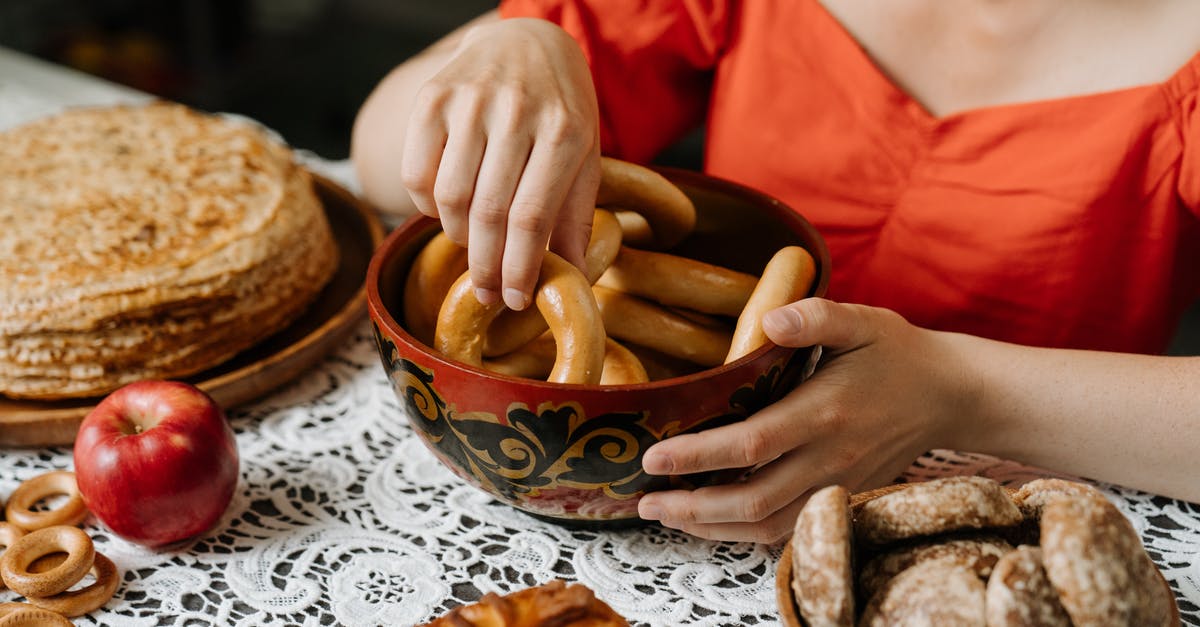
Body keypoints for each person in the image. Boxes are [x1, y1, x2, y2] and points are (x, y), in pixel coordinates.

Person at [351, 0, 1200, 543]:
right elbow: (382, 160)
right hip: (660, 512)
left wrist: (962, 387)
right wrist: (521, 43)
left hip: (982, 538)